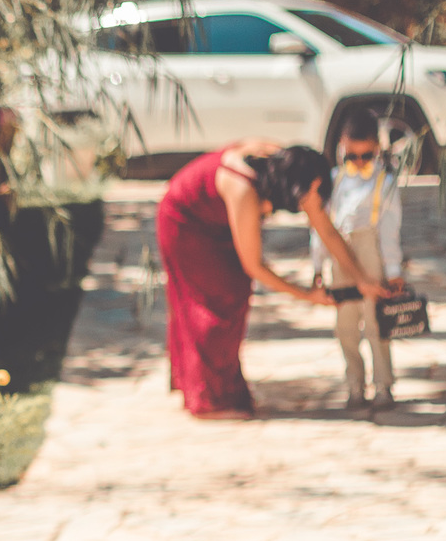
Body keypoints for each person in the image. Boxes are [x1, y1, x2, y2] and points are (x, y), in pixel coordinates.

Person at [157, 140, 391, 420]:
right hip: (185, 223)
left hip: (216, 221)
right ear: (296, 188)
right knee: (221, 296)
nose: (315, 201)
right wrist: (307, 295)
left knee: (233, 288)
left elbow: (326, 230)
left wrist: (362, 279)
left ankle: (205, 385)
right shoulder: (243, 188)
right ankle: (210, 400)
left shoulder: (288, 167)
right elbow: (254, 266)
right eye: (313, 194)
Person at [311, 110, 404, 410]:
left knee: (377, 323)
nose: (359, 162)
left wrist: (393, 270)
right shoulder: (333, 180)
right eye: (352, 155)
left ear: (377, 148)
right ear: (342, 147)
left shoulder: (385, 182)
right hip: (340, 255)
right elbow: (321, 227)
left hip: (371, 250)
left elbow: (390, 231)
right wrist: (317, 266)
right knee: (346, 325)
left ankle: (383, 386)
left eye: (366, 155)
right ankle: (354, 385)